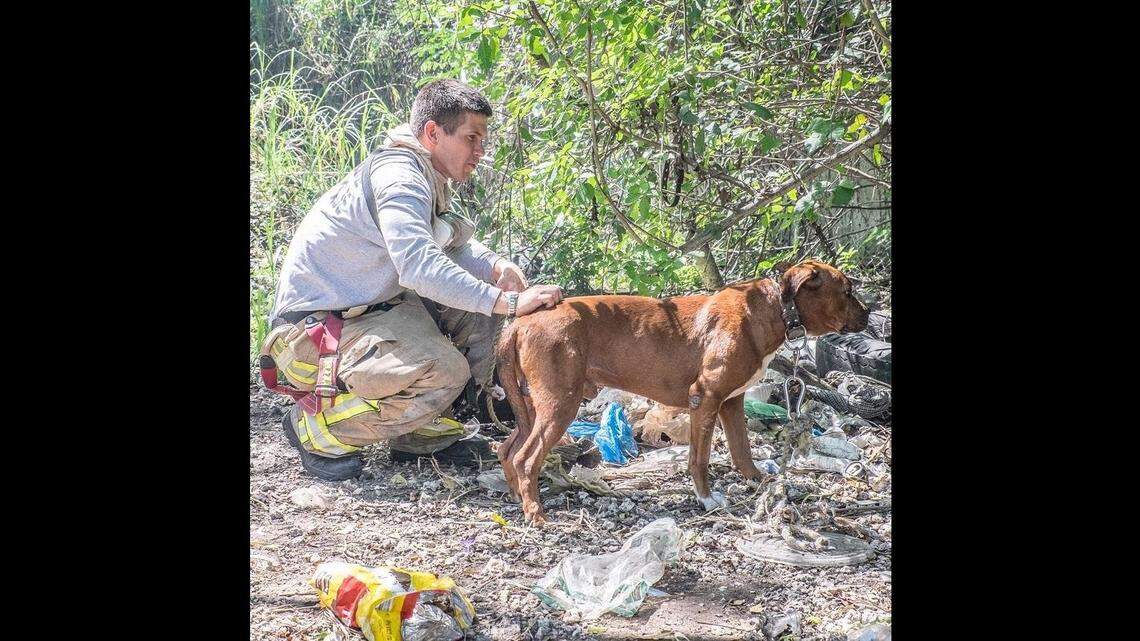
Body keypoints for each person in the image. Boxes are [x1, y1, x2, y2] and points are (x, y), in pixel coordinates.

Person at [258, 79, 563, 481]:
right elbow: (418, 265)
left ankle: (419, 432)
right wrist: (505, 302)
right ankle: (319, 428)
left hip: (372, 306)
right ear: (433, 133)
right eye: (471, 138)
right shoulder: (400, 178)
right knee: (446, 369)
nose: (480, 151)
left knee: (478, 316)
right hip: (316, 329)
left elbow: (440, 242)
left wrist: (494, 267)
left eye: (482, 139)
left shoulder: (423, 168)